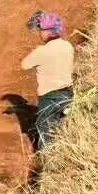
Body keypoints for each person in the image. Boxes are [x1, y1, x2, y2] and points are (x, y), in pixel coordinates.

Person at [21, 12, 73, 150]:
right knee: (59, 125)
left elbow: (24, 64)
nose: (40, 33)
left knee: (45, 128)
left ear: (48, 32)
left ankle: (48, 159)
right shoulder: (68, 46)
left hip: (49, 96)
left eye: (41, 30)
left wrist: (37, 51)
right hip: (67, 93)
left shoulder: (42, 51)